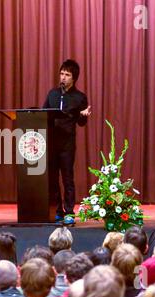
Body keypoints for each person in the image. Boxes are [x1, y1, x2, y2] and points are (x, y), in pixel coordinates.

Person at [42, 59, 91, 224]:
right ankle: (58, 210)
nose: (63, 77)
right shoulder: (52, 94)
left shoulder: (80, 97)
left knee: (67, 178)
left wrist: (83, 116)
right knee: (53, 178)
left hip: (67, 144)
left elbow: (81, 123)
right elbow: (43, 114)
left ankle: (69, 212)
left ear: (74, 78)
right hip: (52, 141)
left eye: (67, 75)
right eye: (62, 73)